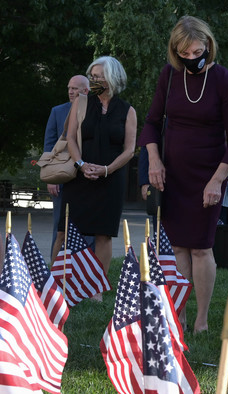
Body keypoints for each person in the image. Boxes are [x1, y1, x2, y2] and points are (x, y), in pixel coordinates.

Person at [138, 16, 228, 334]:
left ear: (208, 46)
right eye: (183, 53)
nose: (191, 59)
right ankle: (179, 314)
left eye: (196, 51)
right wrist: (154, 161)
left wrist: (218, 180)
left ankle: (201, 319)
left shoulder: (224, 79)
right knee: (178, 248)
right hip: (172, 173)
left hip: (208, 175)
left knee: (200, 246)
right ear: (176, 51)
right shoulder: (169, 76)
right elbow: (150, 123)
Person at [55, 56, 137, 285]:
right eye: (92, 76)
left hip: (110, 180)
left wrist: (107, 170)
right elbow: (70, 138)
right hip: (79, 177)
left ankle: (96, 288)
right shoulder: (80, 103)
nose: (93, 81)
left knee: (104, 234)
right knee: (65, 231)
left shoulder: (127, 110)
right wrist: (81, 165)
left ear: (112, 78)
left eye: (98, 77)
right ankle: (55, 283)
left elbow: (129, 150)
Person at [44, 75, 90, 262]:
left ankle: (84, 268)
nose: (71, 91)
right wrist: (50, 179)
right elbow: (49, 145)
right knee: (60, 226)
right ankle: (54, 272)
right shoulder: (57, 111)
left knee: (87, 227)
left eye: (75, 88)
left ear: (86, 91)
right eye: (69, 88)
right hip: (62, 176)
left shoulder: (94, 110)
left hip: (88, 176)